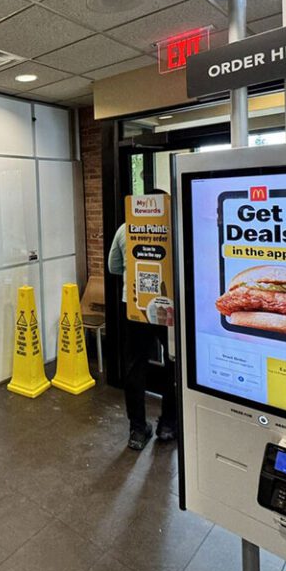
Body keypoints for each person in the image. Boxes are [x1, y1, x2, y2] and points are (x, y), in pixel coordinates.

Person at [108, 190, 178, 451]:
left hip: (135, 307)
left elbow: (113, 267)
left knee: (135, 365)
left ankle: (137, 430)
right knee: (174, 363)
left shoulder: (125, 229)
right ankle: (168, 425)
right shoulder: (173, 228)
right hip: (168, 306)